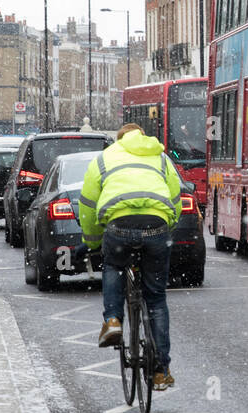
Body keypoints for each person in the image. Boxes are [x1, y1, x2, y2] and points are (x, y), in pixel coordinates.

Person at [78, 122, 182, 391]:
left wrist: (91, 241)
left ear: (119, 139)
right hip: (156, 224)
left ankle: (113, 320)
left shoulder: (104, 158)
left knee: (113, 265)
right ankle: (160, 370)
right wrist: (165, 228)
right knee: (156, 298)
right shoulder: (160, 157)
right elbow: (175, 196)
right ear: (142, 137)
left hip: (119, 225)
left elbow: (88, 204)